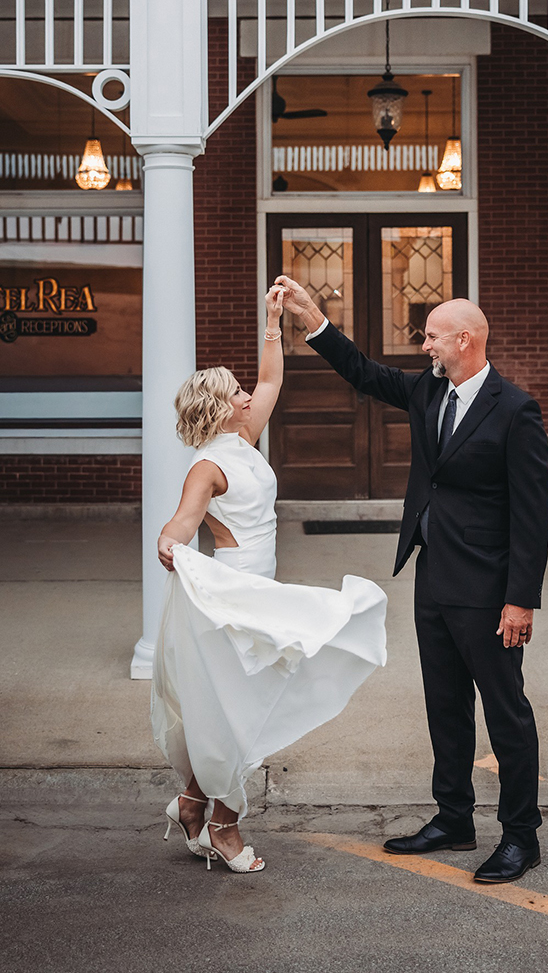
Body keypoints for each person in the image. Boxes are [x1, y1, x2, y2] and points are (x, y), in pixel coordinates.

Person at [276, 275, 548, 885]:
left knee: (505, 711)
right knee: (444, 704)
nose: (423, 346)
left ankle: (520, 836)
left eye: (431, 337)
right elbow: (365, 373)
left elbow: (534, 514)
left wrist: (520, 600)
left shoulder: (515, 410)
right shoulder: (430, 391)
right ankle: (454, 818)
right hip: (433, 577)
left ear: (465, 340)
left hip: (488, 588)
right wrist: (312, 318)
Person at [152, 284, 388, 874]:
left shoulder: (244, 435)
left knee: (236, 702)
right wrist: (168, 544)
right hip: (232, 593)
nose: (245, 391)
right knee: (237, 708)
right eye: (235, 390)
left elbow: (273, 379)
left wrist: (272, 320)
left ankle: (191, 803)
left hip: (261, 585)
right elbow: (181, 524)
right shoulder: (207, 466)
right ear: (220, 406)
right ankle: (224, 827)